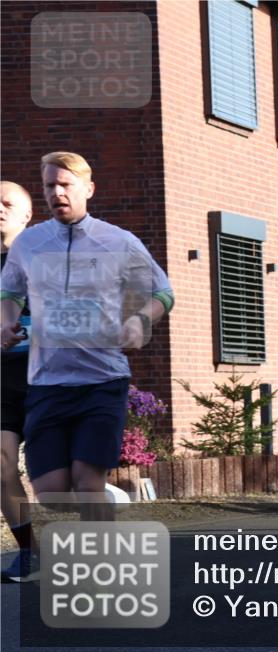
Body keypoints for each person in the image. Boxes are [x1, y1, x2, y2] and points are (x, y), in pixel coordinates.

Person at [0, 153, 173, 525]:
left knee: (86, 481)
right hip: (46, 382)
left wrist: (140, 320)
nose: (57, 192)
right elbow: (10, 291)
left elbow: (162, 292)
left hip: (102, 381)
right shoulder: (28, 244)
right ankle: (105, 511)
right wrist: (7, 323)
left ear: (88, 189)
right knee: (53, 495)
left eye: (66, 185)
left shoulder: (118, 242)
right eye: (50, 185)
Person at [0, 181, 36, 582]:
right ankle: (28, 554)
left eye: (7, 203)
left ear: (28, 215)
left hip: (47, 379)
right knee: (3, 467)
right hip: (2, 383)